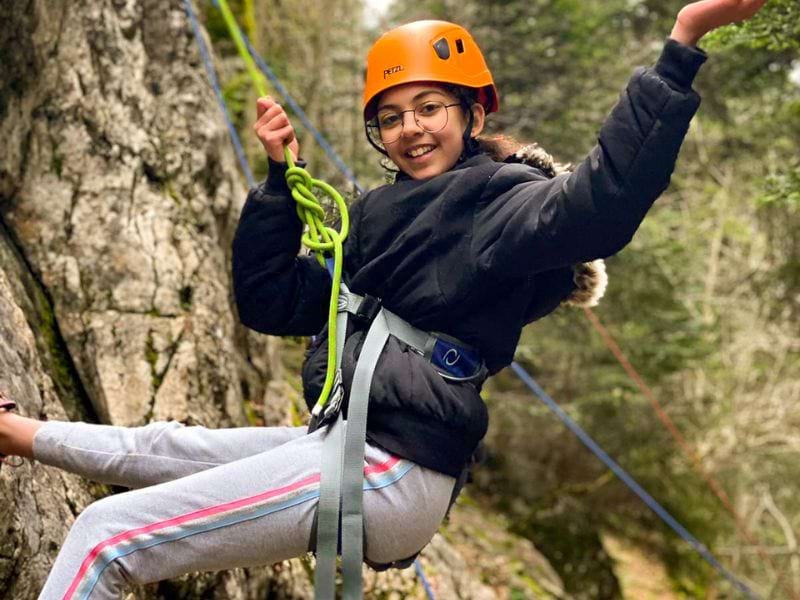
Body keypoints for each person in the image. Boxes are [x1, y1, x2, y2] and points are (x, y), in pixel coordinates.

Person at [0, 1, 768, 597]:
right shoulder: (375, 217)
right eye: (391, 118)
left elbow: (604, 202)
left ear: (475, 114)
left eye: (431, 108)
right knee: (169, 446)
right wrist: (277, 184)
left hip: (392, 466)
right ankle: (17, 434)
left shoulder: (502, 203)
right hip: (348, 441)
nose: (410, 130)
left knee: (106, 536)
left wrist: (682, 42)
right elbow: (270, 301)